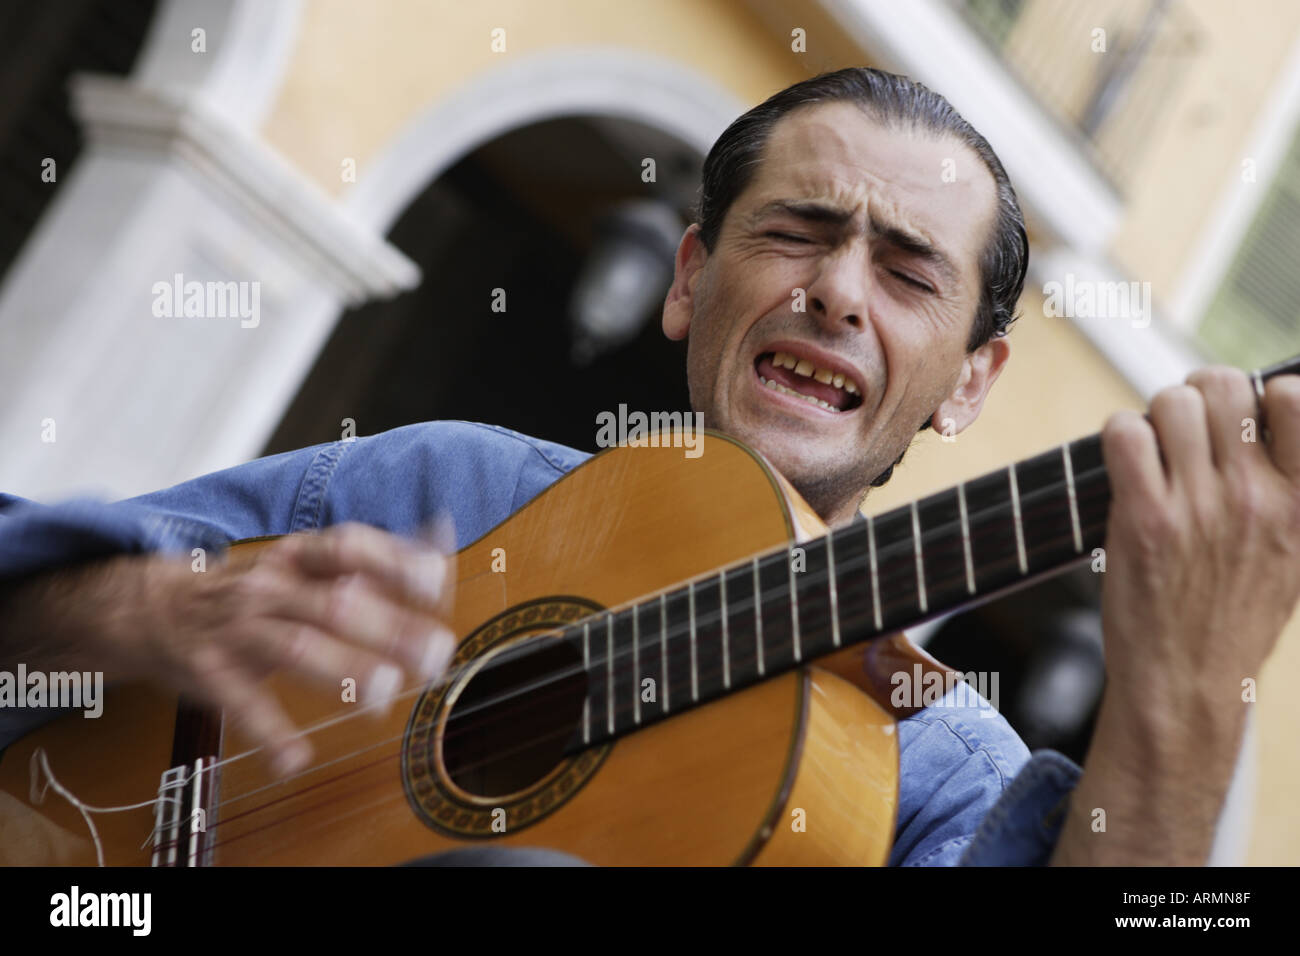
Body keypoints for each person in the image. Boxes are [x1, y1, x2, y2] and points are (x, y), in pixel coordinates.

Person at [3, 68, 1297, 867]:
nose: (837, 290)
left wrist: (1187, 709)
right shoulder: (442, 490)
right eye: (797, 231)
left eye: (908, 273)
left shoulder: (946, 776)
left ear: (969, 381)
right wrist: (133, 608)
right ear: (691, 281)